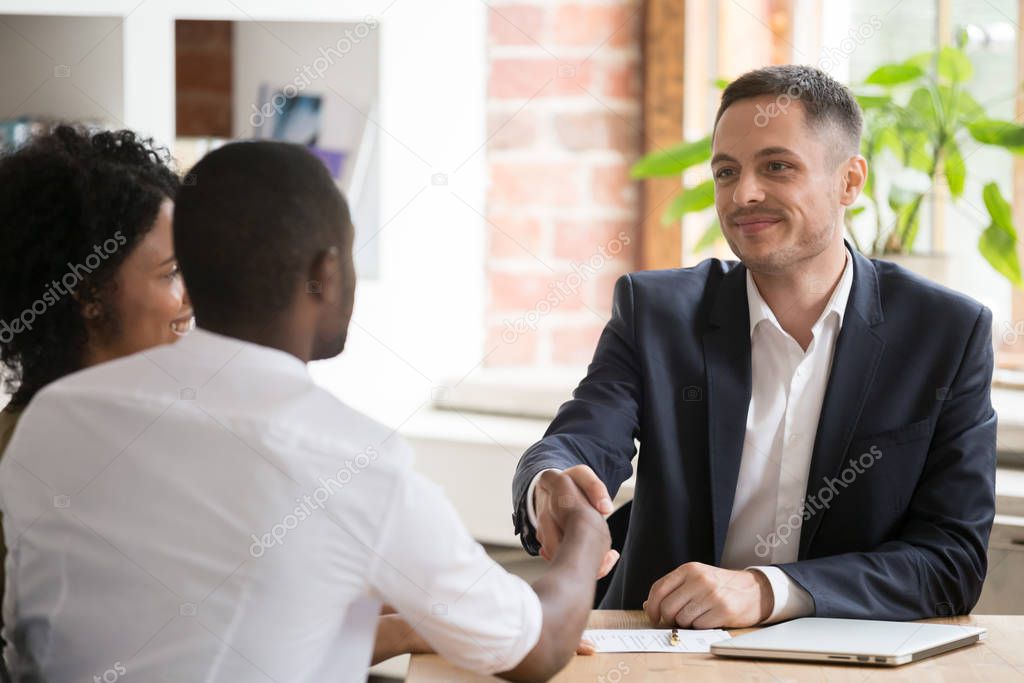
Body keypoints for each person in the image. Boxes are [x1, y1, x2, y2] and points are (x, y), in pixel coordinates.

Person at [0, 140, 612, 682]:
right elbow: (538, 649)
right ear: (325, 273)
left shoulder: (49, 421)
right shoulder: (351, 459)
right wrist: (586, 534)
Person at [512, 64, 997, 627]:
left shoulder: (945, 333)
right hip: (662, 648)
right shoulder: (657, 312)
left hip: (841, 656)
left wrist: (768, 591)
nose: (743, 194)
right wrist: (549, 482)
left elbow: (951, 562)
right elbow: (581, 441)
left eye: (777, 166)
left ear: (850, 181)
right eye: (726, 171)